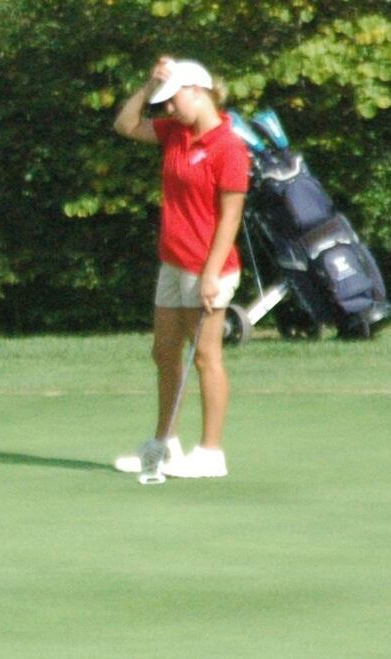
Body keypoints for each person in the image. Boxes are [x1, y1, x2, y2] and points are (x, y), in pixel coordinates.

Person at [111, 58, 250, 482]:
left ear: (197, 90)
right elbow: (125, 125)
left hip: (209, 266)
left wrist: (210, 274)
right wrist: (150, 82)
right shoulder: (175, 134)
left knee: (206, 357)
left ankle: (211, 453)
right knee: (164, 353)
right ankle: (164, 446)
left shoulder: (229, 146)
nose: (167, 110)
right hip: (173, 262)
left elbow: (230, 217)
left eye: (171, 100)